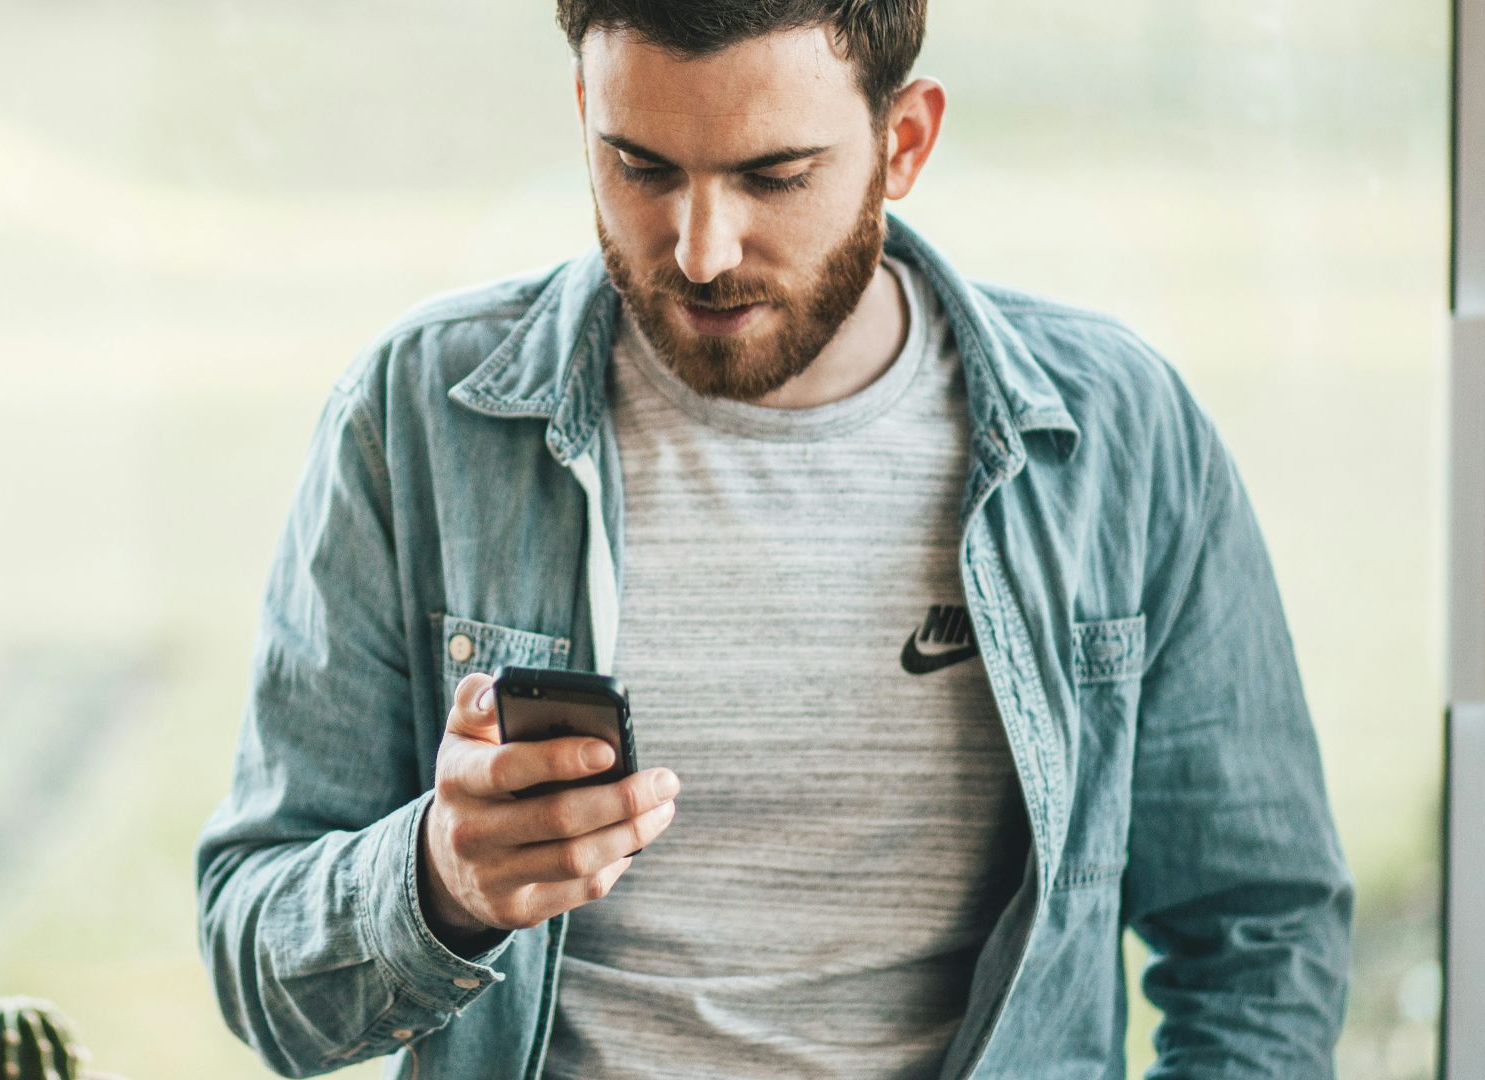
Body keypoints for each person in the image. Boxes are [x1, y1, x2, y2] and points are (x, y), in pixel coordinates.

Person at [192, 2, 1355, 1077]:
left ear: (904, 140)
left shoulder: (1120, 435)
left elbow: (1260, 934)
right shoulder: (418, 416)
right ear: (584, 116)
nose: (700, 248)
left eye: (775, 176)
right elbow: (260, 959)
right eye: (639, 166)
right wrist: (439, 882)